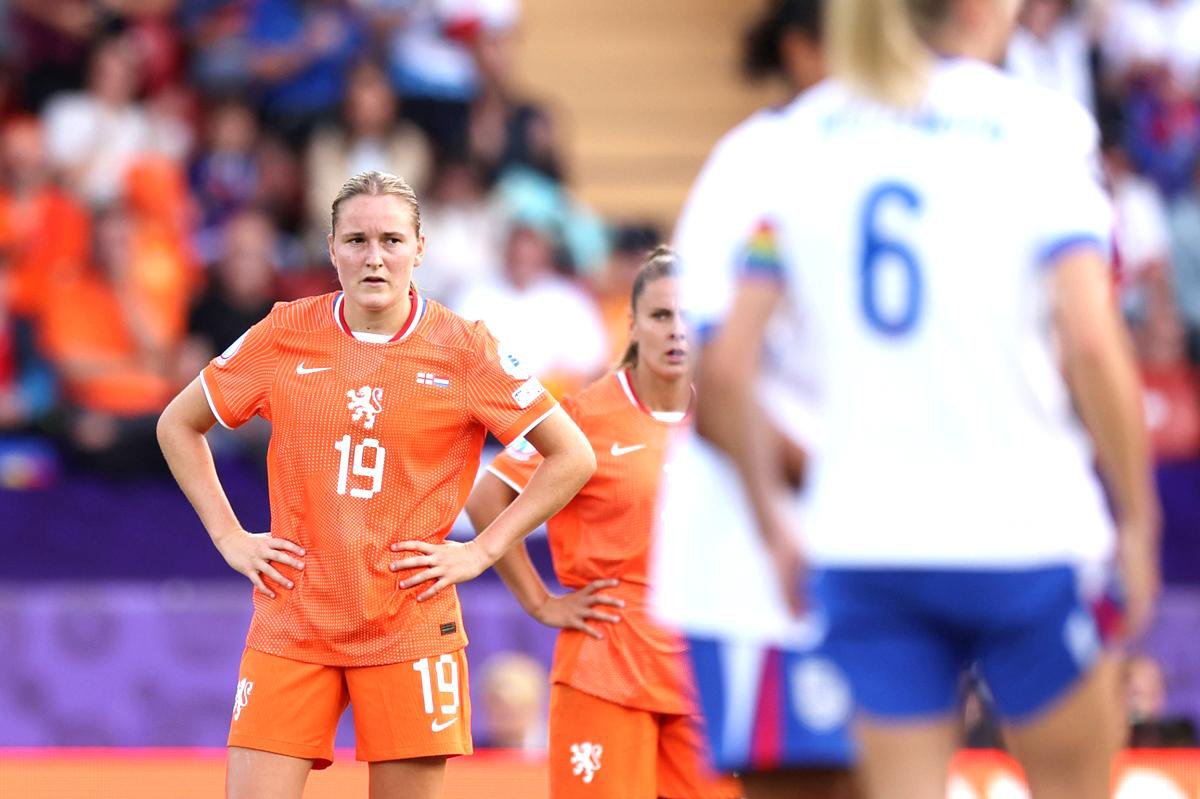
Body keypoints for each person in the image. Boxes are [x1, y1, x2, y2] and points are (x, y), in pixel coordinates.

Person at [687, 1, 1161, 797]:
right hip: (1024, 529)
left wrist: (775, 527)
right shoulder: (1036, 127)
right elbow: (1090, 340)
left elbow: (728, 369)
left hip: (866, 539)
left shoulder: (803, 139)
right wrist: (1141, 520)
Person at [156, 170, 595, 799]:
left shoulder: (466, 350)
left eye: (391, 240)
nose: (373, 257)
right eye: (356, 240)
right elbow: (178, 424)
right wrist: (228, 535)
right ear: (331, 248)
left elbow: (571, 456)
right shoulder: (284, 332)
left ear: (420, 247)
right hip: (295, 617)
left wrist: (480, 550)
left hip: (409, 625)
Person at [655, 3, 858, 798]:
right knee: (807, 782)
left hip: (877, 536)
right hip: (764, 548)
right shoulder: (757, 162)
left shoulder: (903, 147)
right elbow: (712, 381)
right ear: (804, 49)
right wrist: (839, 477)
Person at [465, 248, 742, 799]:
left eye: (689, 316)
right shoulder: (585, 415)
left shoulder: (729, 416)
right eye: (661, 316)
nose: (676, 331)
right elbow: (486, 496)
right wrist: (541, 601)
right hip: (607, 665)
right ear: (633, 323)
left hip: (701, 667)